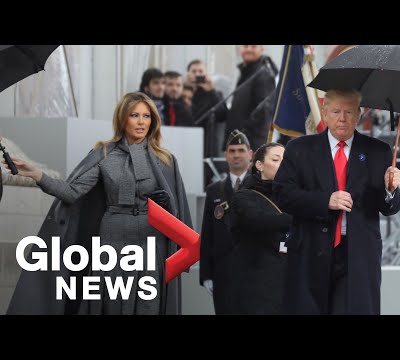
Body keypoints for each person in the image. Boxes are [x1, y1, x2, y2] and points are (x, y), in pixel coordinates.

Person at [4, 92, 192, 315]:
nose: (141, 122)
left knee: (147, 303)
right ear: (123, 118)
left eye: (146, 116)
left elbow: (177, 213)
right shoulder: (104, 153)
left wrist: (167, 205)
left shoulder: (165, 159)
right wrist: (37, 175)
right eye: (135, 115)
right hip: (113, 236)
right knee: (110, 300)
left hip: (151, 239)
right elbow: (73, 192)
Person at [273, 89, 400, 315]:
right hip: (310, 252)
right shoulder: (300, 149)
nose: (342, 118)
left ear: (358, 115)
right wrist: (325, 200)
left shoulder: (377, 151)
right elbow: (283, 194)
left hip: (358, 256)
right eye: (336, 111)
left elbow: (389, 207)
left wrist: (390, 189)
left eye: (348, 112)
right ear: (324, 113)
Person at [229, 142, 292, 314]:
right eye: (276, 159)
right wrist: (299, 218)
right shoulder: (244, 197)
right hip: (257, 286)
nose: (283, 165)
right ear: (259, 165)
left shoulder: (292, 197)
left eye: (286, 161)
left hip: (290, 284)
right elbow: (260, 220)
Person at [199, 130, 252, 314]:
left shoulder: (260, 188)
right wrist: (206, 275)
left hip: (253, 273)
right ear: (225, 155)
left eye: (241, 150)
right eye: (232, 150)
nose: (236, 155)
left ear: (250, 154)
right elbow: (207, 235)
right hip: (223, 273)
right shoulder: (214, 191)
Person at [224, 45, 278, 152]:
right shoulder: (246, 72)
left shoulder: (263, 74)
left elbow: (264, 111)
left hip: (251, 144)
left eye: (253, 46)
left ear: (261, 49)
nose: (248, 49)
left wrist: (243, 133)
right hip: (240, 141)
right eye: (245, 46)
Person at [186, 59, 228, 158]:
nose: (197, 74)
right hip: (185, 138)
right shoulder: (182, 91)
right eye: (194, 71)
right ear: (188, 74)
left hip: (206, 143)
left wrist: (210, 90)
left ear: (206, 74)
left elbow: (222, 114)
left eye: (200, 72)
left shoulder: (214, 93)